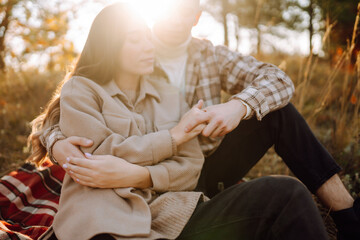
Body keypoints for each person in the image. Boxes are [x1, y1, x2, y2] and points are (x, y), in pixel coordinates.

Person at [32, 0, 359, 239]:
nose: (174, 19)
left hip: (199, 172)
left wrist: (238, 107)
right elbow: (60, 116)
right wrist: (57, 142)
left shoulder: (208, 57)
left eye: (186, 10)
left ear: (197, 17)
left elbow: (277, 81)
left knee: (280, 117)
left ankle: (347, 215)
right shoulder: (112, 69)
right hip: (127, 195)